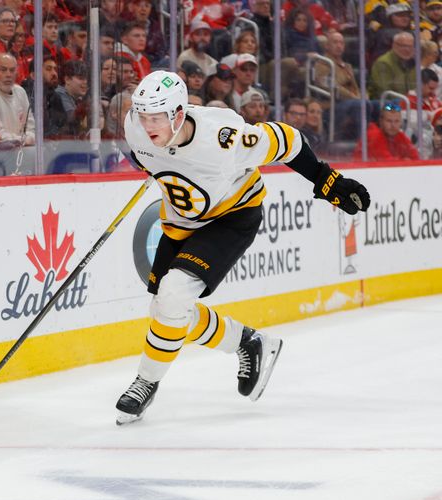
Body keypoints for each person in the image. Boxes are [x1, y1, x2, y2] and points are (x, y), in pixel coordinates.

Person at [116, 71, 370, 425]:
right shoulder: (135, 126)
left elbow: (288, 141)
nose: (147, 124)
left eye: (156, 117)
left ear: (178, 114)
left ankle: (146, 382)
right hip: (181, 222)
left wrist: (327, 180)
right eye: (142, 116)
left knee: (173, 295)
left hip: (232, 217)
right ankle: (248, 343)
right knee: (166, 308)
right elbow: (144, 155)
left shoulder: (224, 140)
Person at [0, 53, 35, 146]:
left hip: (21, 147)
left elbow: (31, 127)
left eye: (12, 70)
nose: (8, 74)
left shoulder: (20, 91)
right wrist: (23, 140)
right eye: (3, 70)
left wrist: (28, 138)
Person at [353, 102, 420, 161]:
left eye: (397, 121)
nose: (393, 125)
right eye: (389, 121)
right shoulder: (374, 135)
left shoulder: (399, 135)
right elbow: (387, 162)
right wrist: (405, 161)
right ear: (381, 121)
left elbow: (415, 158)